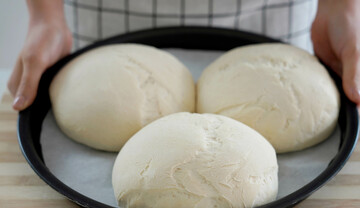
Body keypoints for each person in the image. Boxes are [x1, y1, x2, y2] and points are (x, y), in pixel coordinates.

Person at [7, 0, 360, 111]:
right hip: (106, 32)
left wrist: (341, 7)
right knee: (95, 105)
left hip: (275, 28)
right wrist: (46, 18)